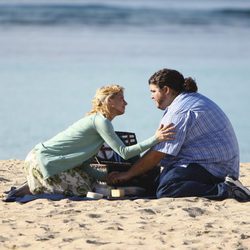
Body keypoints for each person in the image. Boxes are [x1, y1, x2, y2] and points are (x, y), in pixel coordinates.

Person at [108, 69, 250, 202]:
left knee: (167, 190)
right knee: (150, 181)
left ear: (166, 90)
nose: (151, 96)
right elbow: (160, 151)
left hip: (212, 168)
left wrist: (127, 175)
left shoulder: (180, 111)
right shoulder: (186, 101)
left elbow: (158, 153)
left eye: (153, 91)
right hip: (212, 164)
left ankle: (226, 190)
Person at [24, 84, 175, 197]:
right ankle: (34, 186)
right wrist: (156, 138)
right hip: (43, 161)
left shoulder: (97, 120)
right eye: (122, 99)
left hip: (37, 158)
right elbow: (124, 153)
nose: (126, 103)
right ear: (110, 101)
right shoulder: (101, 122)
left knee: (90, 180)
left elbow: (85, 164)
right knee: (85, 188)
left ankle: (34, 185)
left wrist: (105, 177)